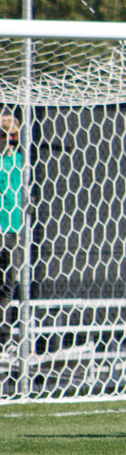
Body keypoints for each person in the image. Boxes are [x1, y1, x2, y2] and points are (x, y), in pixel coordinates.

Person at [0, 114, 22, 345]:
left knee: (9, 283)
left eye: (13, 137)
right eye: (5, 135)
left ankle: (2, 340)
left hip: (12, 229)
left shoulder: (19, 161)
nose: (9, 141)